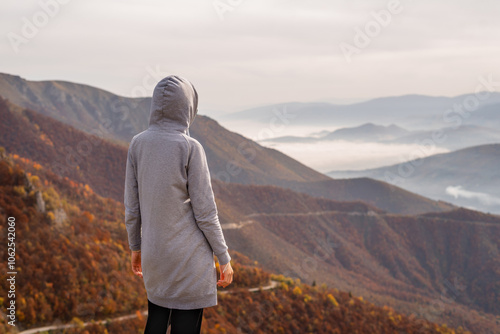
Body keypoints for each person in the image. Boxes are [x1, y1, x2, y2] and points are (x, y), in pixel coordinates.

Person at [124, 75, 234, 334]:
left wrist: (136, 247)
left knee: (156, 322)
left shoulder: (137, 144)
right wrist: (224, 258)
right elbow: (206, 213)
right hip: (189, 263)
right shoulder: (190, 147)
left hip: (155, 258)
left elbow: (132, 208)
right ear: (188, 107)